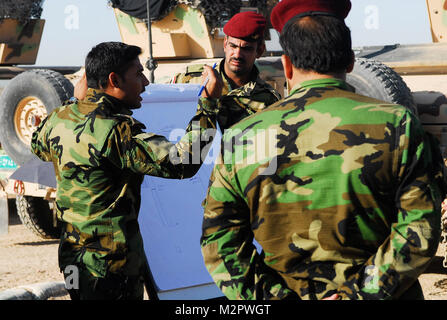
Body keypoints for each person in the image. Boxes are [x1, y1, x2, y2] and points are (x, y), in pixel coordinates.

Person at [200, 0, 446, 300]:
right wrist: (358, 294)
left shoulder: (242, 137)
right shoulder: (400, 126)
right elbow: (420, 229)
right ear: (351, 62)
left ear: (286, 65)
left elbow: (220, 241)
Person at [31, 41, 222, 300]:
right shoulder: (115, 131)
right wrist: (208, 106)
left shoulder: (59, 119)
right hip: (110, 266)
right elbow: (183, 162)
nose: (145, 82)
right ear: (114, 80)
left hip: (73, 258)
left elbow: (37, 144)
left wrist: (74, 100)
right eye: (138, 74)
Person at [172, 10, 281, 131]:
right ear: (225, 44)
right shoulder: (189, 80)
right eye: (233, 46)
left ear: (259, 51)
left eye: (246, 49)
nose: (237, 54)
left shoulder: (269, 100)